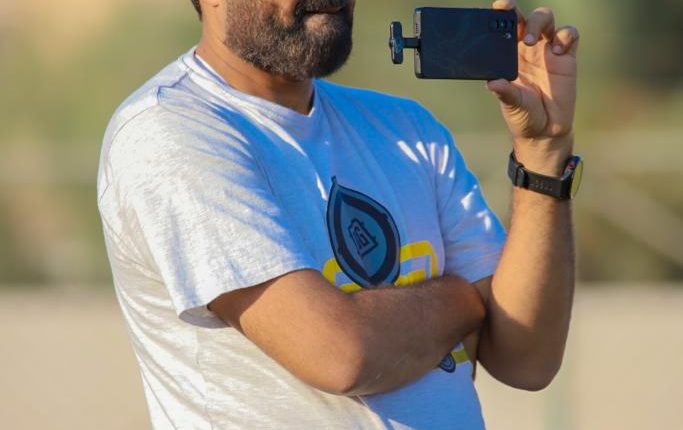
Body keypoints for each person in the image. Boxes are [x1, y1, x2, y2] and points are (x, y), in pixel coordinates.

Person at [97, 0, 581, 428]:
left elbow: (528, 358)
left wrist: (542, 154)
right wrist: (467, 300)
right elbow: (339, 355)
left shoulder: (408, 129)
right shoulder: (171, 131)